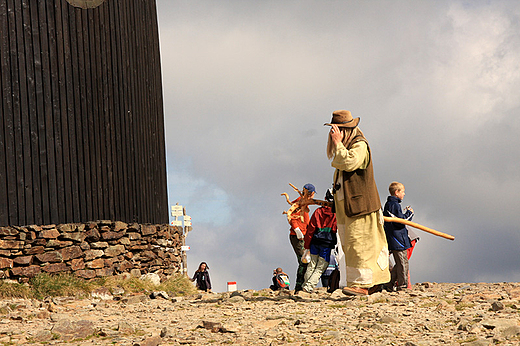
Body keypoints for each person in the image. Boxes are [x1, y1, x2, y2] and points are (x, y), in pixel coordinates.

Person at [325, 110, 390, 296]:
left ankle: (363, 284)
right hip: (348, 209)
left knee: (362, 245)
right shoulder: (350, 145)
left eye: (336, 131)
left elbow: (349, 163)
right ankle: (370, 283)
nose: (333, 134)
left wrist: (337, 143)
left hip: (361, 208)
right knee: (352, 246)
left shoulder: (359, 145)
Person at [301, 188, 338, 293]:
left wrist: (307, 245)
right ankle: (308, 287)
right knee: (321, 267)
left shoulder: (318, 211)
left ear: (325, 198)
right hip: (326, 244)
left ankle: (305, 285)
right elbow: (336, 228)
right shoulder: (336, 214)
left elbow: (310, 229)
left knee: (312, 264)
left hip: (315, 242)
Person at [383, 181, 414, 291]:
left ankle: (390, 284)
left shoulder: (391, 205)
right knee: (402, 263)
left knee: (400, 262)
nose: (404, 194)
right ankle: (402, 286)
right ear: (396, 192)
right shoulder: (393, 205)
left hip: (398, 237)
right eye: (403, 192)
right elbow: (400, 221)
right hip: (397, 238)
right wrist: (410, 213)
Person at [287, 183, 316, 292]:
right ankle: (299, 287)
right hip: (297, 236)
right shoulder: (300, 202)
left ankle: (302, 285)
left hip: (303, 236)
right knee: (304, 261)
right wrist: (297, 229)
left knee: (305, 261)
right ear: (311, 193)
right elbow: (292, 217)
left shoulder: (304, 203)